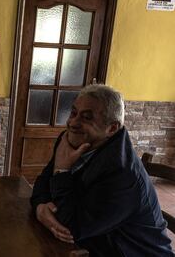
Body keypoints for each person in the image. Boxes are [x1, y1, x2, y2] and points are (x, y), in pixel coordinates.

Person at [30, 84, 174, 256]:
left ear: (112, 128)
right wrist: (40, 207)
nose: (72, 123)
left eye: (87, 118)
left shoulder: (123, 174)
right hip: (97, 243)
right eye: (73, 113)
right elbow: (43, 182)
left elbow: (72, 228)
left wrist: (62, 171)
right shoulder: (69, 140)